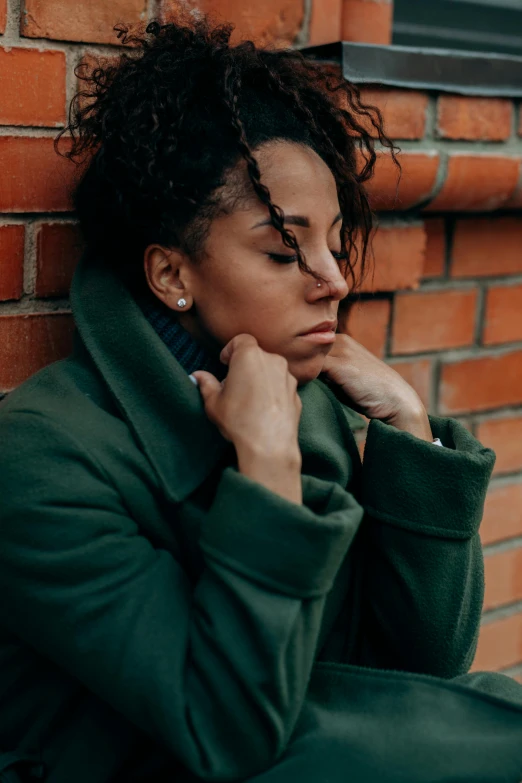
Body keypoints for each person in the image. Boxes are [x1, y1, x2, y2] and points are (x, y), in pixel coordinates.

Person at [0, 10, 521, 783]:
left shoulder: (307, 405)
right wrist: (266, 474)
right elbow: (226, 731)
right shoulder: (43, 455)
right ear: (172, 275)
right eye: (285, 250)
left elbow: (421, 671)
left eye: (334, 242)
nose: (336, 278)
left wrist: (412, 440)